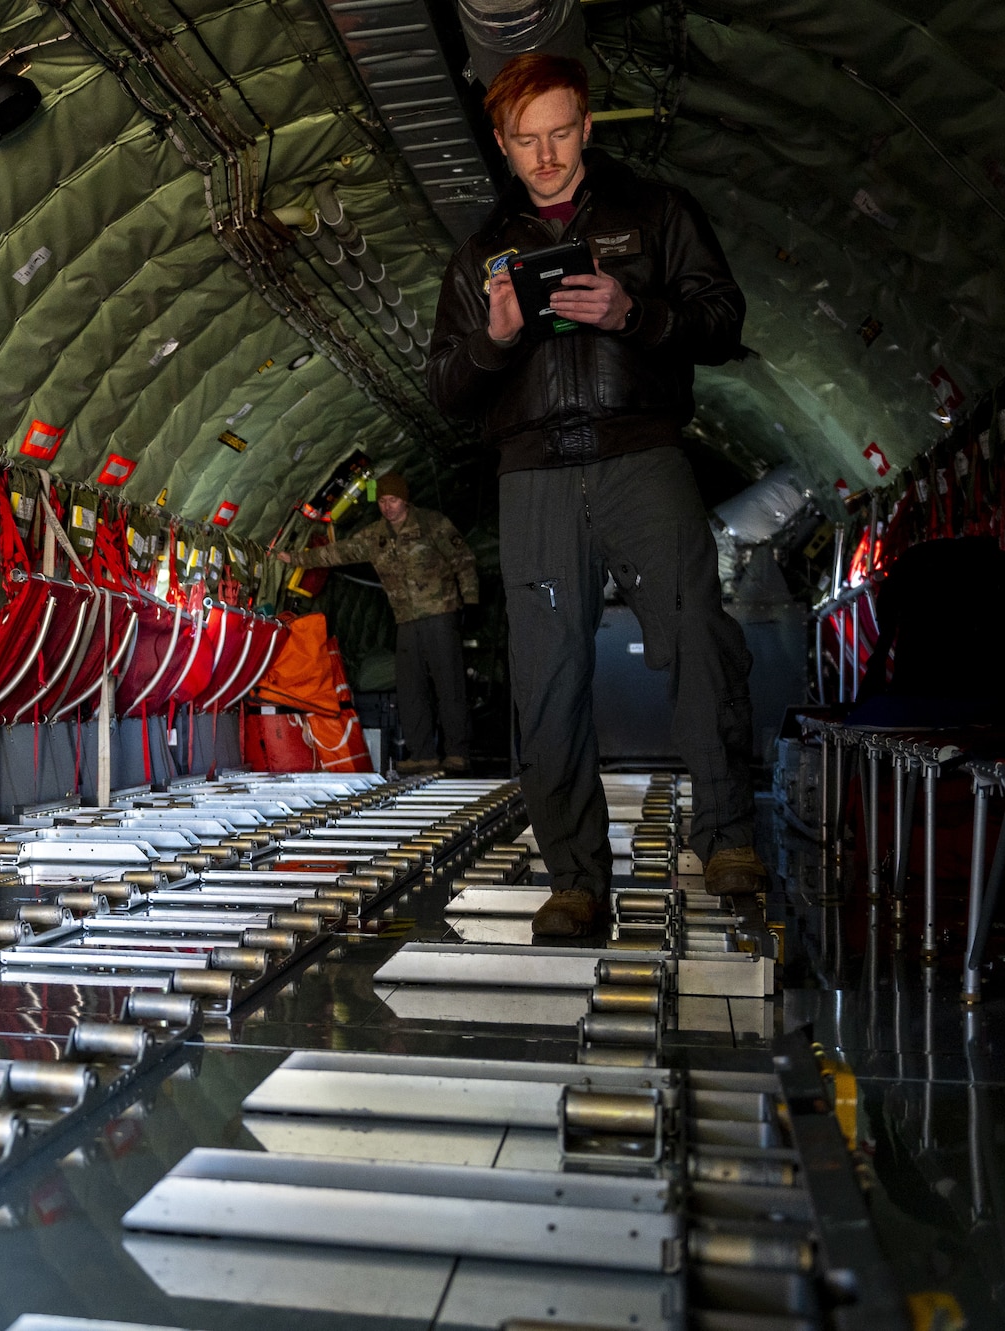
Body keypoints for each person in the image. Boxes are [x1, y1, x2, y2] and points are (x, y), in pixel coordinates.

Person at [429, 51, 768, 935]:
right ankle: (575, 876)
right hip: (533, 474)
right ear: (503, 144)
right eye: (526, 140)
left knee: (698, 631)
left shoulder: (655, 214)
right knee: (547, 676)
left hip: (640, 453)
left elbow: (723, 319)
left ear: (586, 125)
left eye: (561, 133)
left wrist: (635, 315)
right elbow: (447, 389)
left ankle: (727, 832)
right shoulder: (478, 258)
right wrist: (496, 341)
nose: (545, 155)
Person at [278, 473, 478, 774]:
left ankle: (457, 753)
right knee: (411, 689)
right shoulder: (375, 536)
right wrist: (292, 558)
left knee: (449, 685)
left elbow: (463, 561)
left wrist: (471, 601)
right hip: (406, 620)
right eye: (383, 501)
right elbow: (337, 553)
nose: (388, 507)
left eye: (393, 500)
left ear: (405, 500)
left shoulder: (432, 524)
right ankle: (423, 754)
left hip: (440, 614)